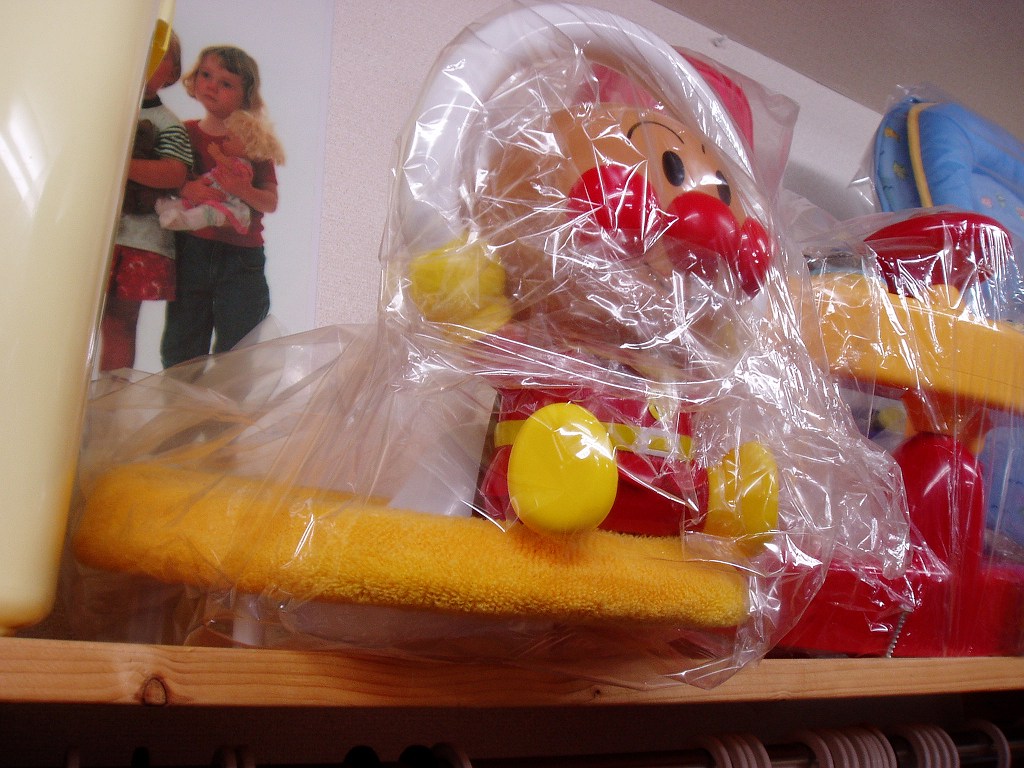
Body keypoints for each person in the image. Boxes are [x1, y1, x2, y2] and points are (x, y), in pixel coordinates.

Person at [160, 45, 284, 369]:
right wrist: (186, 188)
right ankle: (181, 400)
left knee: (239, 344)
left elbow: (270, 200)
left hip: (241, 256)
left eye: (226, 83)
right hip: (193, 249)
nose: (212, 86)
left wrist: (242, 190)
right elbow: (169, 177)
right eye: (206, 75)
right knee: (183, 342)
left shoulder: (254, 142)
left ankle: (227, 402)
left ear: (246, 96)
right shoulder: (185, 133)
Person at [100, 32, 192, 372]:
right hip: (97, 235)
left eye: (161, 55)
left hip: (139, 240)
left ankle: (111, 391)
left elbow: (174, 173)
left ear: (173, 72)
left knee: (120, 322)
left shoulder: (168, 124)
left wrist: (120, 163)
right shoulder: (104, 111)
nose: (148, 60)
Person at [155, 109, 284, 235]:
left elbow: (233, 169)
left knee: (207, 213)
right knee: (191, 203)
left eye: (228, 138)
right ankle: (167, 208)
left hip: (225, 201)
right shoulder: (187, 129)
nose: (223, 141)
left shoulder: (243, 165)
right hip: (209, 192)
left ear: (246, 147)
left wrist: (218, 155)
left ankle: (183, 220)